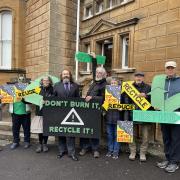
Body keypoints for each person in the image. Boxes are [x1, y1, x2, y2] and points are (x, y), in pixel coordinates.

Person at [156, 61, 180, 173]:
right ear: (165, 69)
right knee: (166, 138)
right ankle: (168, 158)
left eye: (172, 68)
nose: (170, 70)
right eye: (168, 68)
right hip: (164, 114)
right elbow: (157, 95)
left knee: (176, 139)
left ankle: (174, 162)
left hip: (176, 115)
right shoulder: (161, 82)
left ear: (175, 69)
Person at [79, 66, 107, 158]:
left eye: (100, 73)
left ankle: (95, 149)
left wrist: (92, 97)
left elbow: (105, 99)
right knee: (85, 129)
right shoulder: (94, 83)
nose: (98, 74)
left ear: (103, 74)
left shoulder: (105, 84)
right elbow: (88, 95)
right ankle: (84, 147)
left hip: (96, 111)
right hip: (88, 110)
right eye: (97, 72)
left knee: (95, 130)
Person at [54, 69, 79, 161]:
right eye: (64, 74)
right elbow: (53, 99)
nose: (65, 75)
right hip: (60, 113)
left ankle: (71, 153)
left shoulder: (75, 86)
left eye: (67, 74)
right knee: (60, 133)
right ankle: (61, 151)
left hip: (72, 114)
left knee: (70, 133)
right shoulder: (56, 86)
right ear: (61, 75)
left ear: (70, 75)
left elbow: (78, 100)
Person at [125, 72, 151, 162]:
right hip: (132, 113)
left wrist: (146, 96)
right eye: (137, 76)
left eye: (140, 76)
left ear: (143, 78)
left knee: (146, 136)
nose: (138, 78)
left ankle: (143, 153)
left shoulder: (148, 87)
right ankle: (133, 151)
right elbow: (126, 100)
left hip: (145, 114)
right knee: (131, 135)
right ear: (134, 77)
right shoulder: (129, 87)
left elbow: (153, 100)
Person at [9, 77, 31, 150]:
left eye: (22, 80)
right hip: (15, 112)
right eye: (19, 80)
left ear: (25, 82)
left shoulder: (29, 89)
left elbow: (32, 101)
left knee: (26, 128)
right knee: (15, 128)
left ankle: (27, 141)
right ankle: (16, 141)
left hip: (25, 112)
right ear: (17, 82)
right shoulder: (11, 90)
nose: (21, 82)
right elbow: (6, 99)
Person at [105, 77, 124, 160]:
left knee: (117, 136)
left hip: (118, 117)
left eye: (114, 83)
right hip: (109, 117)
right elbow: (104, 104)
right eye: (111, 83)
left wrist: (121, 107)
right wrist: (105, 106)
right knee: (110, 135)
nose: (113, 84)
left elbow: (126, 104)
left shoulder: (122, 93)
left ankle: (116, 151)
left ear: (118, 84)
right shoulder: (107, 93)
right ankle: (110, 150)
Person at [34, 76, 54, 153]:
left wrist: (48, 100)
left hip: (49, 112)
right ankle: (40, 144)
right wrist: (23, 99)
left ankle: (45, 144)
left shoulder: (53, 89)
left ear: (49, 81)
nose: (45, 81)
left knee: (46, 129)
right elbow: (32, 99)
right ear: (42, 81)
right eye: (44, 80)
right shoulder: (37, 89)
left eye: (47, 80)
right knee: (40, 130)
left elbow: (55, 98)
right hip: (39, 112)